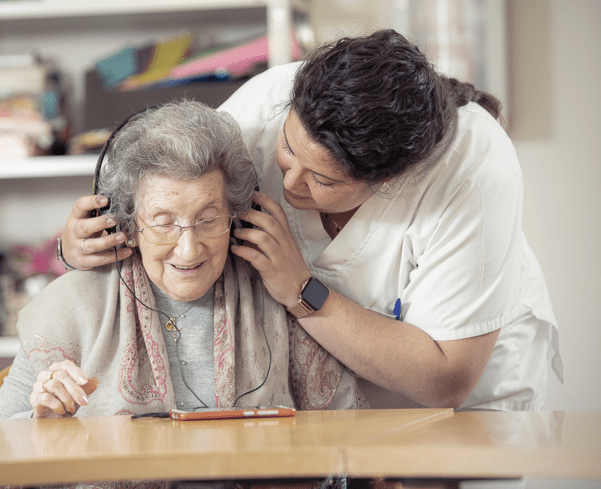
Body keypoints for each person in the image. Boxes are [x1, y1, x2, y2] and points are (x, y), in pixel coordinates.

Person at [60, 29, 562, 411]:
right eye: (287, 149)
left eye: (322, 180)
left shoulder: (474, 172)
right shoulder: (270, 104)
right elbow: (139, 186)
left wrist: (299, 288)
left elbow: (445, 377)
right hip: (329, 399)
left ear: (389, 181)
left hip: (465, 395)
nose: (292, 182)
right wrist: (77, 243)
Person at [0, 100, 365, 420]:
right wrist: (41, 422)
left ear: (237, 218)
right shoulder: (72, 307)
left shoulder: (278, 297)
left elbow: (352, 430)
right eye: (164, 224)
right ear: (126, 225)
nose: (189, 248)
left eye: (209, 220)